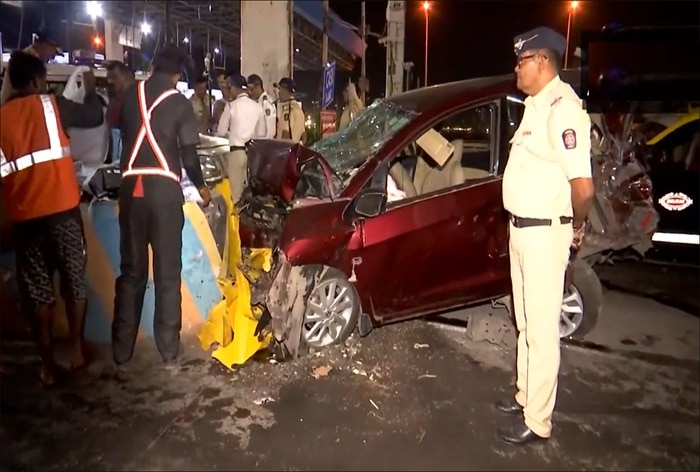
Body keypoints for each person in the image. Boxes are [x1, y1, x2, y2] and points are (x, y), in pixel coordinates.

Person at [497, 26, 594, 445]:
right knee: (524, 324)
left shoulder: (564, 110)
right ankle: (524, 396)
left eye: (522, 60)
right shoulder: (535, 105)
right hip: (521, 229)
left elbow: (583, 187)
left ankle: (538, 421)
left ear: (542, 62)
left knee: (541, 330)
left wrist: (578, 225)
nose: (517, 68)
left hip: (543, 235)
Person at [112, 45, 211, 370]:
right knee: (167, 275)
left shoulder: (129, 96)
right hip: (164, 194)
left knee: (131, 273)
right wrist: (202, 188)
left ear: (153, 67)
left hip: (130, 190)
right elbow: (190, 158)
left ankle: (121, 351)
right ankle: (168, 352)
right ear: (177, 75)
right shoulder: (179, 103)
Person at [0, 51, 94, 386]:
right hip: (63, 213)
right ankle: (77, 350)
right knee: (74, 282)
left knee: (38, 293)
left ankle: (46, 364)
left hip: (26, 220)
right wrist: (93, 86)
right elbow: (94, 115)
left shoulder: (1, 119)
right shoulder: (52, 106)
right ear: (39, 80)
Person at [216, 74, 266, 204]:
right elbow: (262, 132)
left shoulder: (231, 106)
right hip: (252, 154)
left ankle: (237, 223)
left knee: (236, 195)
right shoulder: (258, 107)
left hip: (236, 153)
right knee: (248, 191)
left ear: (233, 87)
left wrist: (231, 133)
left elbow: (220, 131)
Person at [1, 31, 61, 106]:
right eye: (53, 51)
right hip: (15, 110)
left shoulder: (28, 58)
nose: (52, 57)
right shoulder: (25, 61)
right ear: (45, 45)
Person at [105, 61, 135, 163]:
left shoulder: (135, 100)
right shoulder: (115, 101)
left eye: (114, 77)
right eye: (109, 78)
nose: (110, 82)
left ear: (126, 77)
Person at [274, 77, 307, 144]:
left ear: (285, 90)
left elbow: (285, 134)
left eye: (280, 89)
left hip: (286, 150)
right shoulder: (299, 109)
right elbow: (304, 136)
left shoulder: (287, 110)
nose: (279, 93)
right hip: (295, 149)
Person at [247, 74, 277, 139]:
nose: (249, 92)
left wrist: (265, 144)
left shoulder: (266, 103)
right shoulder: (257, 102)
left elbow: (271, 130)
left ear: (258, 86)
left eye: (251, 89)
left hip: (263, 143)